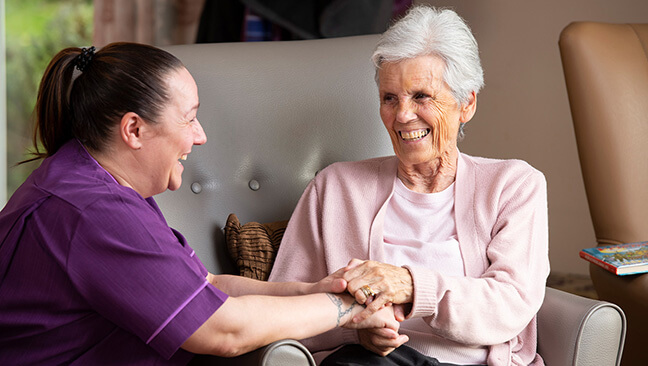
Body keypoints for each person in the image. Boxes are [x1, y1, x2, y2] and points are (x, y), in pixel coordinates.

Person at [0, 42, 401, 365]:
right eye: (189, 118)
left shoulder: (96, 179)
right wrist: (344, 307)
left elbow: (207, 285)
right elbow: (222, 330)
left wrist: (308, 291)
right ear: (134, 129)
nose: (201, 136)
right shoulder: (94, 213)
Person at [268, 5, 550, 366]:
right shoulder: (334, 187)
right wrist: (356, 327)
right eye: (390, 98)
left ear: (466, 104)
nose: (402, 115)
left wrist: (413, 286)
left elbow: (511, 304)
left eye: (421, 96)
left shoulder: (513, 185)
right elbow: (286, 315)